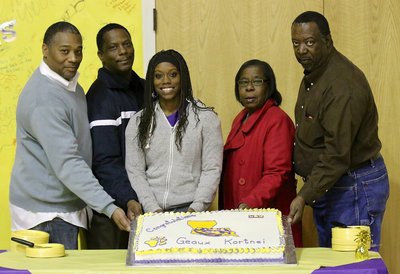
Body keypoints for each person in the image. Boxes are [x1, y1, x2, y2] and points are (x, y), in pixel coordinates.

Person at [9, 21, 130, 250]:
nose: (73, 58)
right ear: (45, 50)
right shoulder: (44, 100)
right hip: (45, 214)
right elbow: (68, 163)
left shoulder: (70, 86)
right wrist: (109, 207)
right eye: (64, 51)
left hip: (65, 207)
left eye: (78, 50)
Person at [288, 11, 389, 251]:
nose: (302, 50)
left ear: (327, 41)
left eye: (310, 42)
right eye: (296, 43)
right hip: (331, 186)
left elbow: (336, 155)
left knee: (353, 266)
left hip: (353, 186)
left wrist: (304, 195)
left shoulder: (342, 86)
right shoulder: (316, 73)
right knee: (334, 265)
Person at [125, 49, 223, 213]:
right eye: (158, 76)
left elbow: (212, 169)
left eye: (173, 74)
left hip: (191, 209)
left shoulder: (206, 118)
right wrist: (152, 208)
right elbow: (135, 171)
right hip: (150, 212)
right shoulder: (138, 122)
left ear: (182, 77)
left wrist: (196, 208)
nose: (166, 81)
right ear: (151, 80)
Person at [219, 59, 302, 247]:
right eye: (243, 82)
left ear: (269, 86)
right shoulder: (239, 119)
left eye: (256, 82)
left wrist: (249, 203)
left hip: (266, 217)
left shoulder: (277, 119)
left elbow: (276, 173)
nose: (249, 88)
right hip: (241, 216)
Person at [85, 23, 144, 249]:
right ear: (101, 55)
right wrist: (128, 197)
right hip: (111, 212)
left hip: (141, 203)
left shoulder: (145, 90)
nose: (123, 51)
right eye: (113, 47)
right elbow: (105, 161)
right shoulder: (99, 98)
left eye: (127, 44)